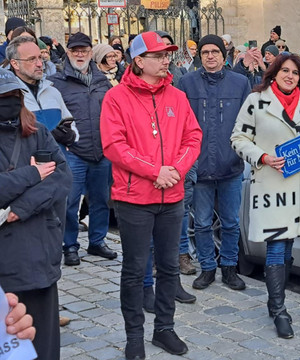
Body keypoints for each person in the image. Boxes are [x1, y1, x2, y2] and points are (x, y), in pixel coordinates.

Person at [100, 31, 202, 359]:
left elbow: (193, 136)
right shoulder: (116, 98)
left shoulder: (176, 96)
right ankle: (134, 335)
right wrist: (154, 171)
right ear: (139, 61)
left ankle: (164, 329)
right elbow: (115, 146)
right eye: (158, 55)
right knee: (133, 269)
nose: (165, 60)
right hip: (134, 199)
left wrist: (176, 169)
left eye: (167, 55)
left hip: (171, 197)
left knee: (170, 267)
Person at [231, 52, 300, 339]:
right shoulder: (256, 101)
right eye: (285, 71)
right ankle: (280, 310)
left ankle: (275, 300)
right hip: (271, 184)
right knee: (276, 245)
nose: (290, 76)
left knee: (289, 244)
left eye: (295, 72)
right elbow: (238, 138)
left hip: (298, 184)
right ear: (274, 72)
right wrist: (262, 157)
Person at [0, 68, 72, 360]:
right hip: (6, 258)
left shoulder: (38, 132)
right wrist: (32, 173)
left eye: (13, 95)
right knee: (12, 345)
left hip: (40, 251)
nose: (8, 101)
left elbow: (62, 178)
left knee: (45, 346)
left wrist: (20, 207)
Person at [177, 34, 250, 292]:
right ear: (200, 56)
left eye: (215, 52)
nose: (210, 56)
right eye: (205, 52)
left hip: (230, 165)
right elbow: (181, 124)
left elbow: (248, 123)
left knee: (231, 222)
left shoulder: (240, 83)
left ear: (223, 54)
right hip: (199, 166)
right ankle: (207, 267)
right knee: (203, 222)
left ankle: (229, 267)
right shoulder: (187, 83)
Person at [49, 32, 117, 266]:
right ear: (68, 52)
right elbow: (50, 116)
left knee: (101, 200)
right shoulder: (57, 82)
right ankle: (69, 245)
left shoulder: (101, 81)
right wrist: (63, 138)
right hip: (73, 152)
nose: (80, 54)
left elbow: (113, 113)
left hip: (102, 151)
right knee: (69, 202)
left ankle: (97, 241)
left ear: (91, 52)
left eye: (84, 50)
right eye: (75, 50)